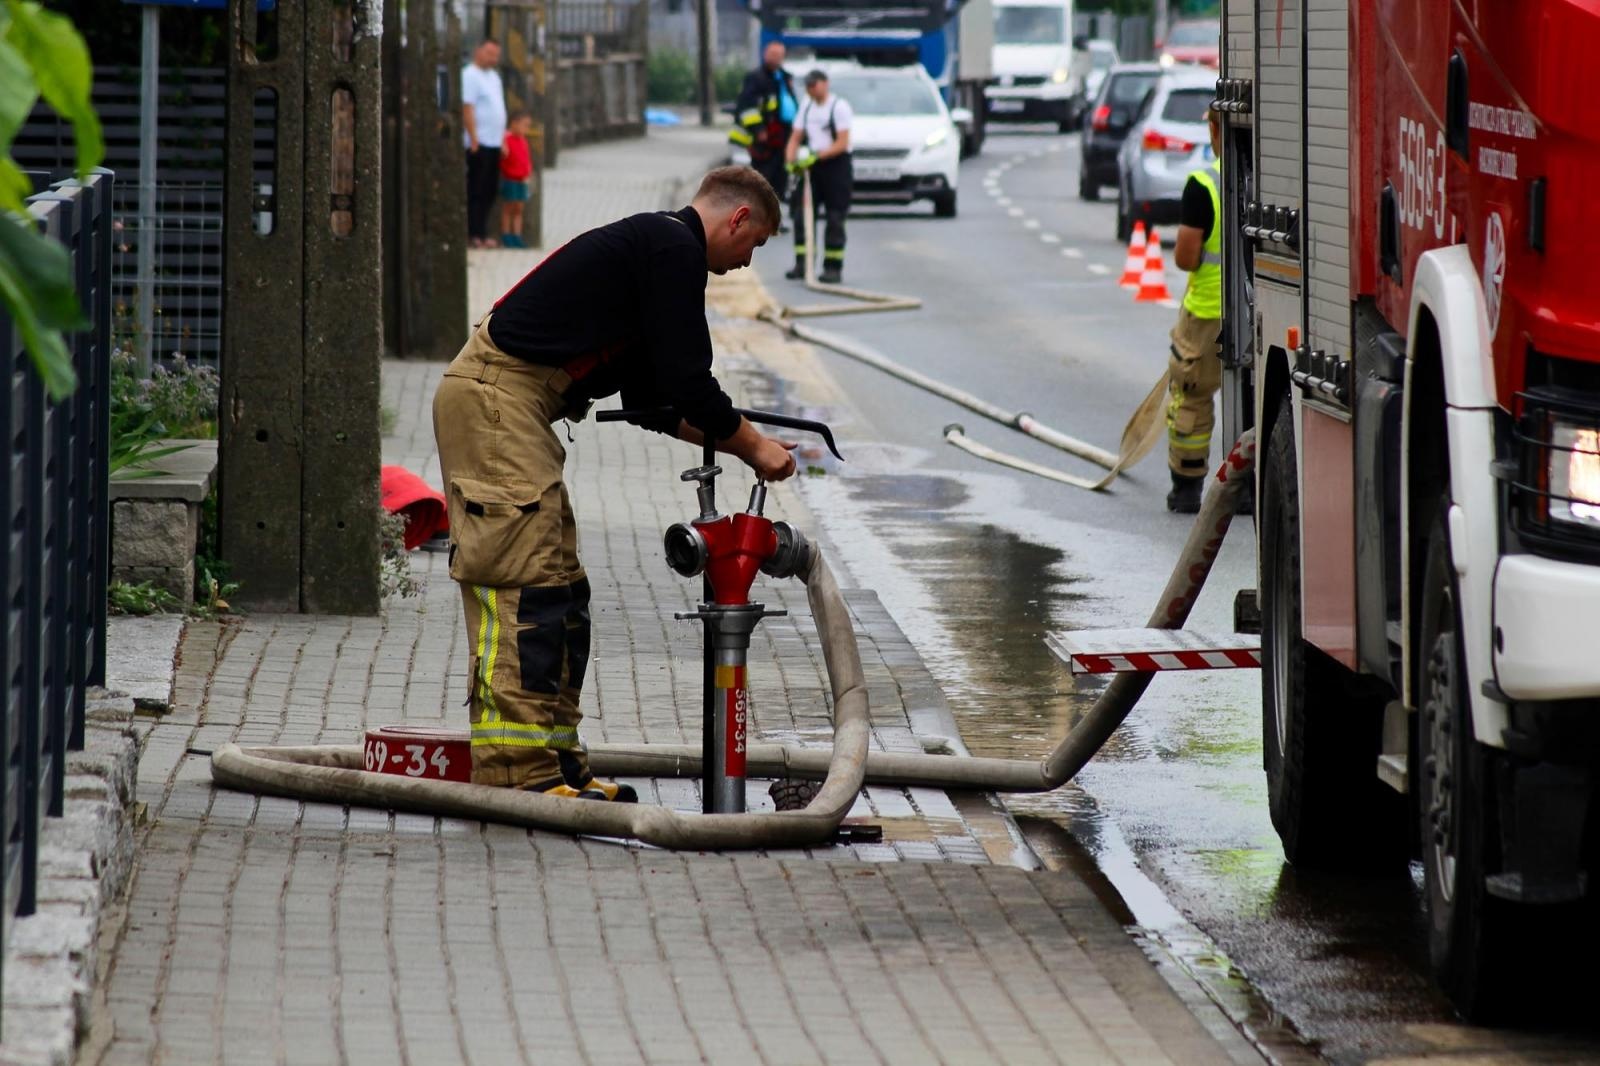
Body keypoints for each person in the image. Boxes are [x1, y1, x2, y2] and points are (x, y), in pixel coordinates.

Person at [432, 167, 795, 801]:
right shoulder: (674, 249)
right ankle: (518, 775)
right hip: (495, 404)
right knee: (525, 589)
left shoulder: (656, 252)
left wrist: (744, 442)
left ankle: (559, 764)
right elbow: (692, 385)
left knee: (563, 592)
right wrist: (754, 447)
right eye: (755, 243)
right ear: (737, 218)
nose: (747, 262)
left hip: (513, 408)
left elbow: (653, 403)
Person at [1165, 107, 1224, 513]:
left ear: (1216, 129)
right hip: (1261, 308)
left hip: (1206, 314)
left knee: (1191, 396)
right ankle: (1249, 485)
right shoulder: (1273, 176)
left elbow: (1186, 258)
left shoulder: (1204, 185)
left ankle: (1186, 489)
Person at [784, 69, 853, 285]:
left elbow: (842, 142)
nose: (811, 89)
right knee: (802, 215)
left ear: (825, 83)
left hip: (836, 166)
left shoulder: (838, 107)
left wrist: (817, 157)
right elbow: (795, 137)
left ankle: (832, 267)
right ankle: (803, 263)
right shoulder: (806, 107)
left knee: (835, 217)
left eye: (814, 85)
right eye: (808, 86)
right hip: (811, 169)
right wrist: (790, 161)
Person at [729, 41, 800, 213]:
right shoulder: (755, 78)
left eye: (779, 55)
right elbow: (746, 107)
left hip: (783, 137)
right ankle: (758, 214)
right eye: (772, 54)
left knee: (781, 179)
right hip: (764, 141)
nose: (776, 58)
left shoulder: (784, 77)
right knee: (762, 180)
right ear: (765, 55)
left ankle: (776, 216)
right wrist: (758, 129)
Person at [462, 39, 507, 249]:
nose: (493, 59)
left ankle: (483, 231)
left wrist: (502, 139)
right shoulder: (470, 75)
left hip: (494, 141)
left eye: (496, 55)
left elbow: (498, 109)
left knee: (490, 189)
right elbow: (467, 108)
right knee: (476, 189)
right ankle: (474, 233)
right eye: (489, 53)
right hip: (479, 142)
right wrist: (473, 138)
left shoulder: (494, 77)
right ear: (478, 51)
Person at [499, 110, 534, 248]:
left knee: (519, 209)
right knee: (508, 208)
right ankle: (506, 235)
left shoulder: (523, 141)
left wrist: (528, 172)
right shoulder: (506, 139)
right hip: (510, 178)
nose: (527, 129)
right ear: (514, 123)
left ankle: (517, 235)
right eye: (524, 125)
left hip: (522, 179)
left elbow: (526, 158)